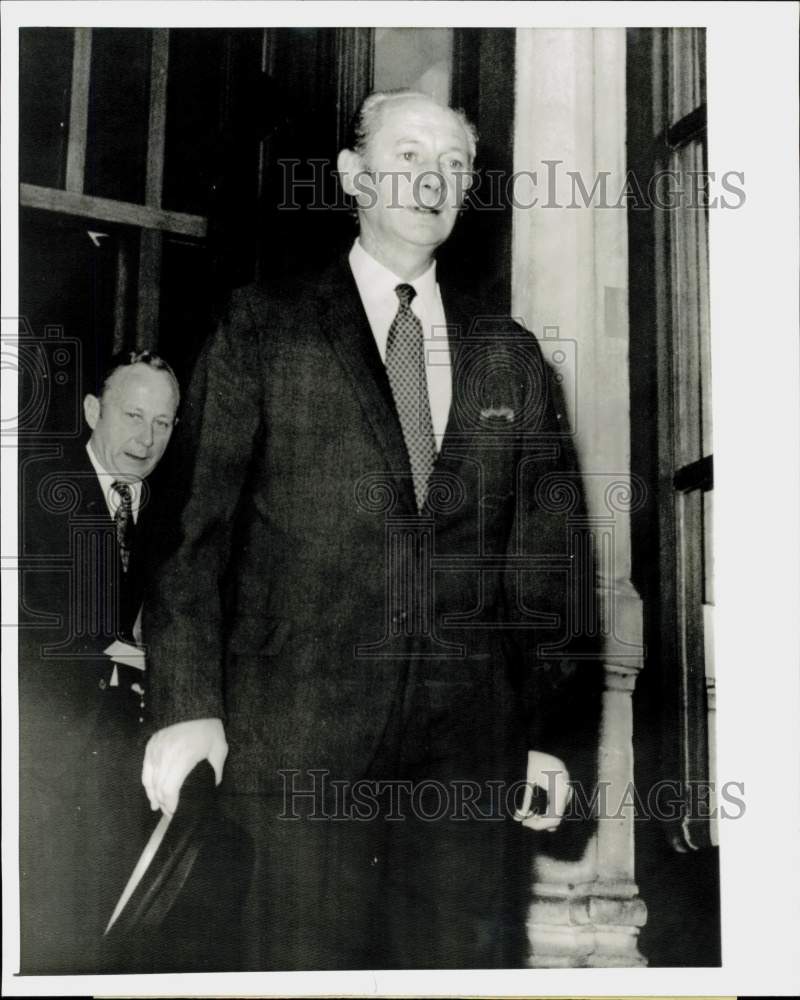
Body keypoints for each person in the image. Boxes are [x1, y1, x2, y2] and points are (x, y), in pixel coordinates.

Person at [143, 90, 600, 969]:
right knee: (304, 971)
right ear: (353, 176)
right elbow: (189, 532)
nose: (433, 179)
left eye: (454, 165)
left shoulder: (511, 354)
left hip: (467, 759)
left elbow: (552, 561)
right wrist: (189, 706)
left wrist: (551, 733)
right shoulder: (262, 327)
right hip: (297, 741)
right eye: (409, 155)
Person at [19, 350, 180, 973]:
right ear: (93, 412)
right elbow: (31, 620)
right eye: (132, 415)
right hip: (46, 761)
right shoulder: (32, 492)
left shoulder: (175, 509)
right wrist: (121, 653)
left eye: (163, 423)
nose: (145, 439)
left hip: (130, 764)